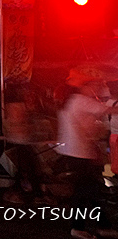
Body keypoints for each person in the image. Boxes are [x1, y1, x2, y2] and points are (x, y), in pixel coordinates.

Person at [56, 68, 118, 239]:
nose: (97, 88)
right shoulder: (81, 100)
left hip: (76, 153)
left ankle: (102, 226)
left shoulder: (71, 100)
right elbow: (108, 111)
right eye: (94, 84)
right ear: (85, 86)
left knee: (89, 192)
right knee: (85, 193)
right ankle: (79, 227)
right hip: (80, 154)